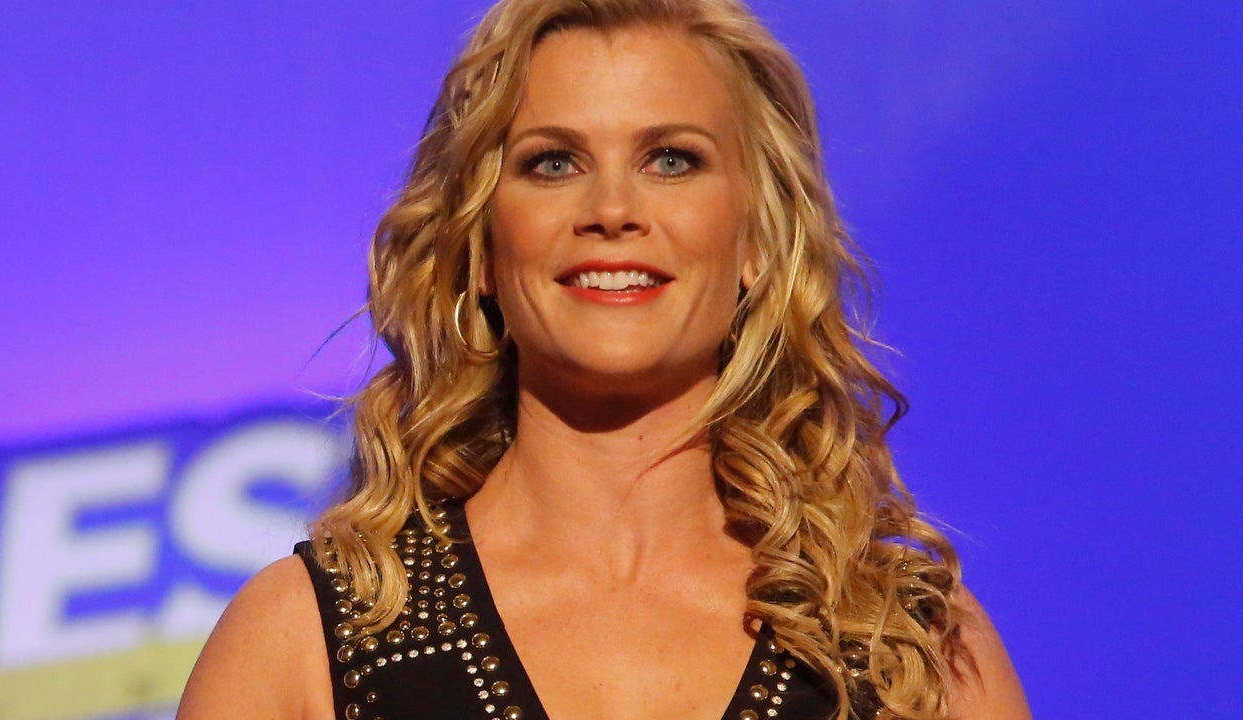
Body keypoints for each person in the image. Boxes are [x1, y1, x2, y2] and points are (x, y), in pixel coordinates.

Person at [177, 0, 1031, 718]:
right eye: (553, 163)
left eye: (671, 160)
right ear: (480, 246)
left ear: (757, 241)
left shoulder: (909, 644)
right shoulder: (308, 640)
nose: (613, 209)